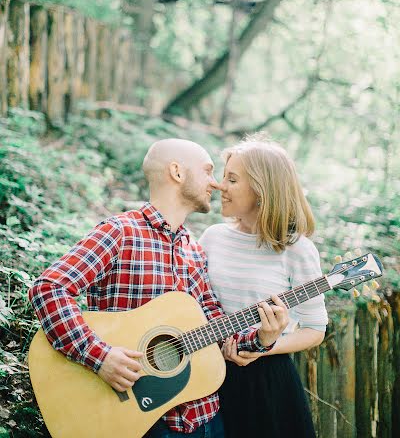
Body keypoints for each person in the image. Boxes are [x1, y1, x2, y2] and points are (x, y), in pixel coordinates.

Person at [28, 138, 288, 438]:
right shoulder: (120, 233)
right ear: (177, 172)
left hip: (205, 416)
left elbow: (214, 324)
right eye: (207, 171)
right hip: (139, 421)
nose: (215, 185)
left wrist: (261, 338)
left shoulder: (194, 249)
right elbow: (48, 289)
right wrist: (100, 357)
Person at [199, 135, 328, 438]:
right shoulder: (213, 237)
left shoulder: (296, 249)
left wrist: (265, 345)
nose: (220, 186)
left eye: (232, 179)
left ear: (261, 188)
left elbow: (314, 329)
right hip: (204, 377)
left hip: (266, 385)